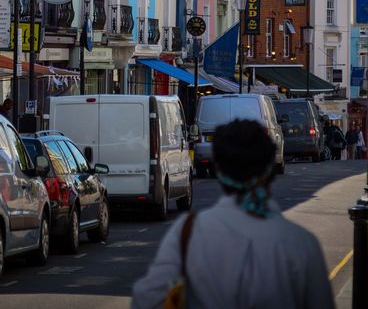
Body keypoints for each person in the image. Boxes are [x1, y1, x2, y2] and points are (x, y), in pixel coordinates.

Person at [131, 120, 335, 309]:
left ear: (219, 171)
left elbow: (146, 299)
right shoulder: (302, 243)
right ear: (270, 170)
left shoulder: (188, 233)